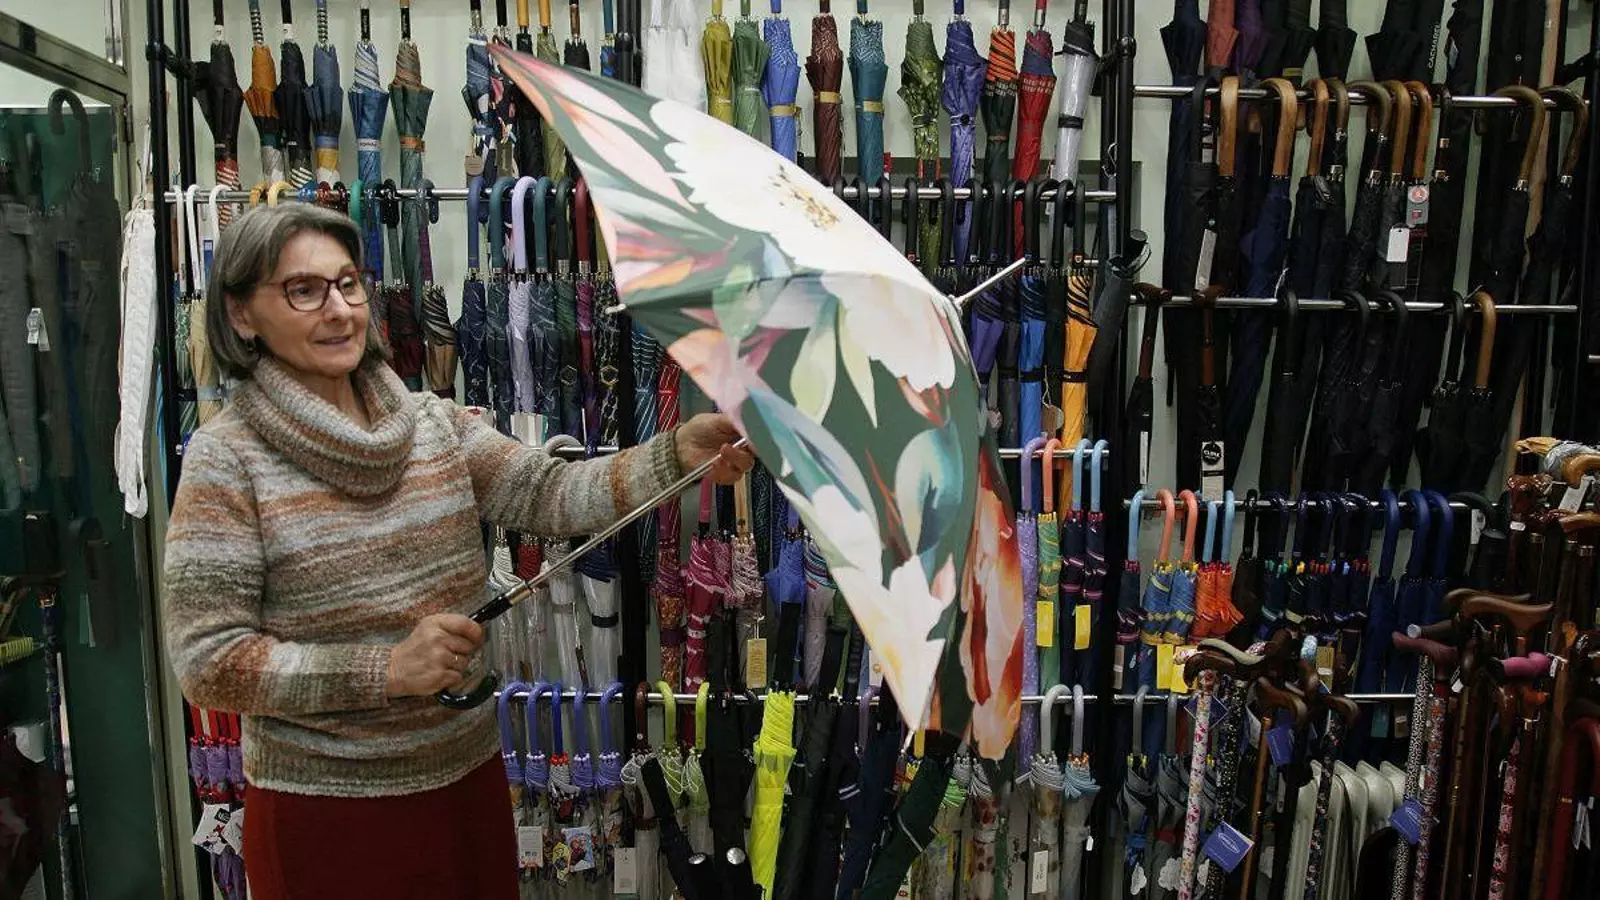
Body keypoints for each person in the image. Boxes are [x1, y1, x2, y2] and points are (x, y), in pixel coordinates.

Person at [162, 204, 753, 899]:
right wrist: (386, 670)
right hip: (326, 814)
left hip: (466, 786)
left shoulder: (430, 424)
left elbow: (551, 492)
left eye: (348, 283)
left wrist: (674, 454)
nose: (340, 310)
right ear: (241, 314)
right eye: (304, 290)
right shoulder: (227, 460)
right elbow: (210, 664)